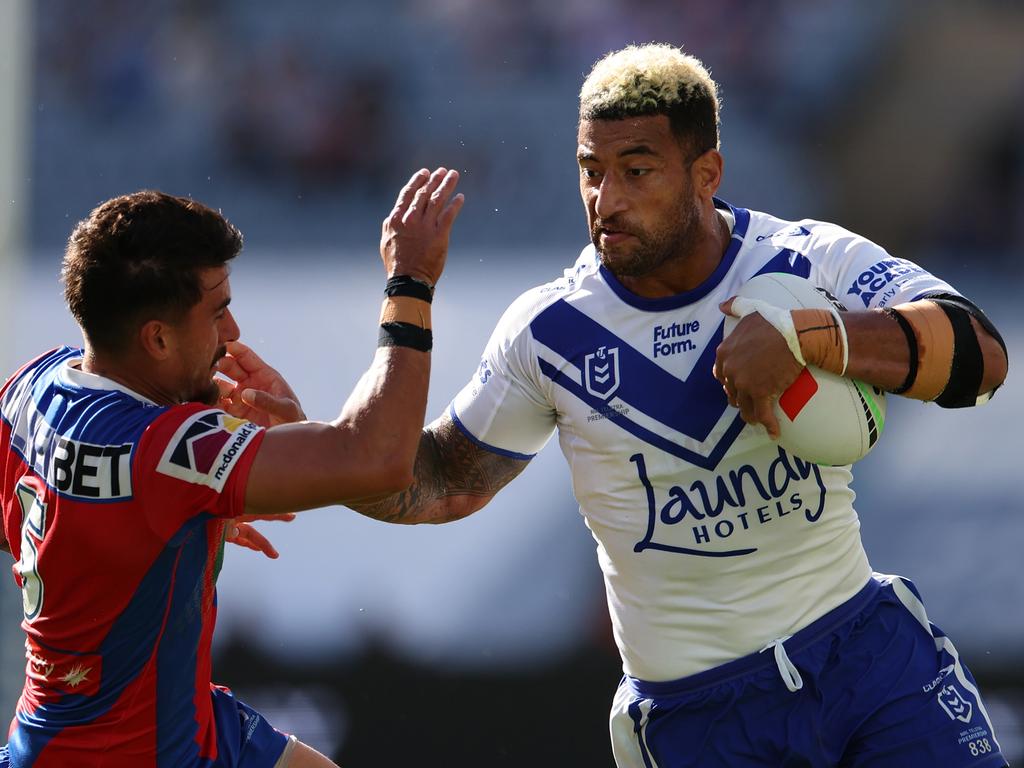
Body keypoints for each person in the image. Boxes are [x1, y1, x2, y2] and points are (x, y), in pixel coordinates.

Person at [239, 44, 1009, 767]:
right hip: (698, 716)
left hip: (865, 659)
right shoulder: (549, 331)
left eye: (637, 171)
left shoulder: (805, 260)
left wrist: (812, 337)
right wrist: (324, 445)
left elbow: (981, 354)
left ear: (707, 171)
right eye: (590, 171)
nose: (606, 199)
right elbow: (435, 484)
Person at [0, 168, 464, 767]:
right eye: (218, 311)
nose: (234, 332)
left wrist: (174, 527)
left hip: (144, 719)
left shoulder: (37, 384)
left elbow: (50, 506)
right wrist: (412, 282)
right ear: (158, 340)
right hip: (129, 751)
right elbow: (375, 459)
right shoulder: (160, 452)